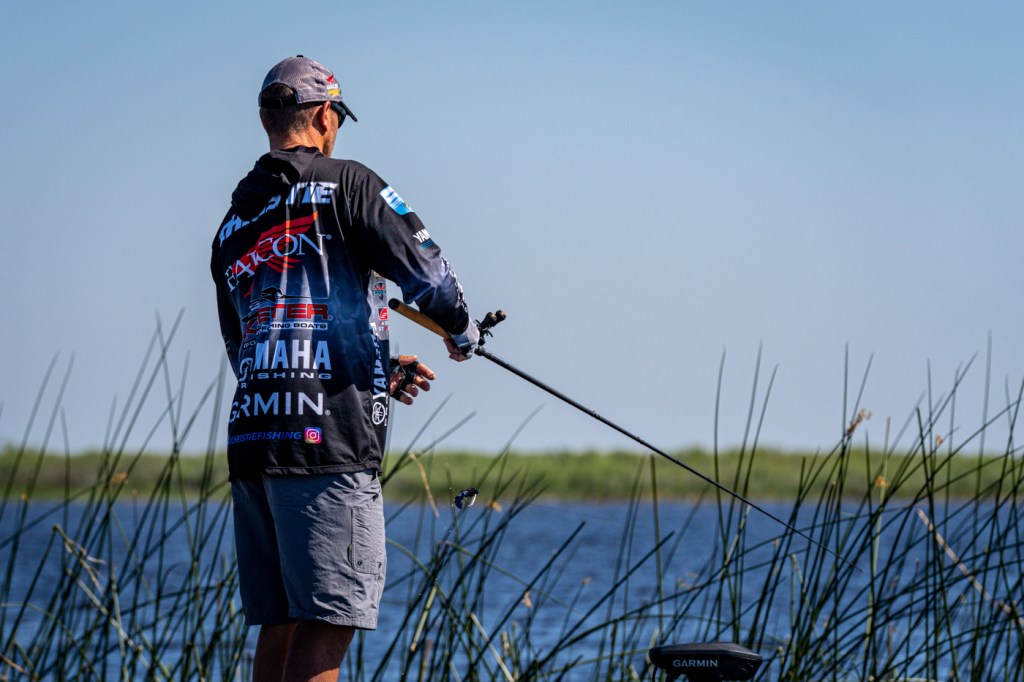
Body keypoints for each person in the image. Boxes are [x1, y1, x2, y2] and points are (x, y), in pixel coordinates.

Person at [211, 55, 479, 682]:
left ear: (266, 120)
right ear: (325, 116)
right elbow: (430, 277)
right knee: (330, 619)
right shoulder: (351, 183)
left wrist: (376, 364)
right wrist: (461, 330)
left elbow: (248, 343)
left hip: (254, 441)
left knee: (281, 620)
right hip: (326, 445)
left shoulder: (232, 224)